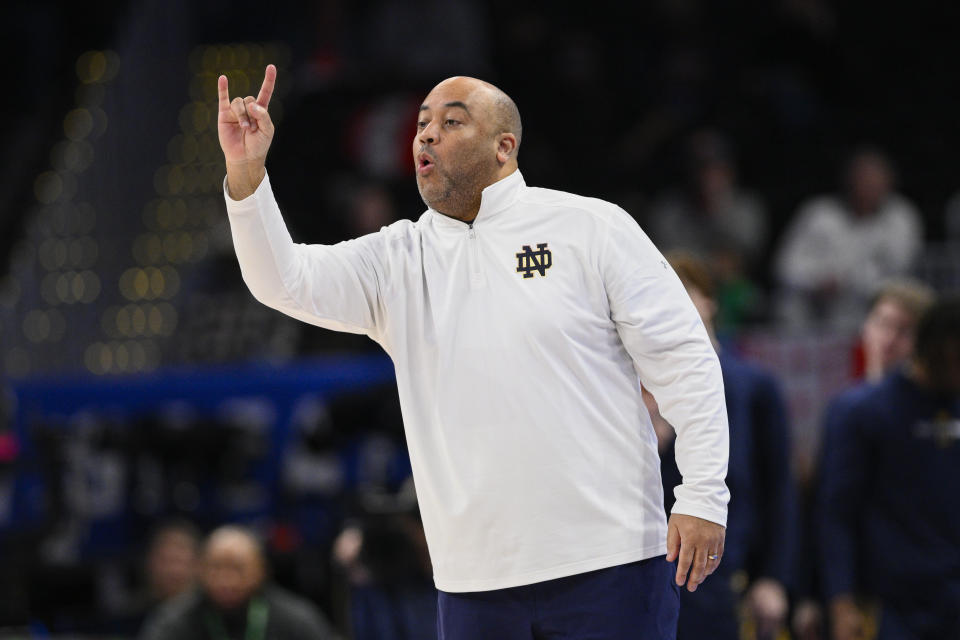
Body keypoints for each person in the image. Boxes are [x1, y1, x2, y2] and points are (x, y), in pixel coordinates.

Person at [218, 66, 730, 638]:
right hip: (473, 584)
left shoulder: (590, 228)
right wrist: (246, 173)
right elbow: (281, 281)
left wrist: (703, 494)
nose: (426, 135)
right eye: (420, 125)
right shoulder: (398, 259)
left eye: (450, 121)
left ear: (504, 146)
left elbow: (687, 363)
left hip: (609, 561)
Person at [648, 252, 794, 640]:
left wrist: (774, 578)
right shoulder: (636, 391)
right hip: (654, 577)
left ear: (709, 300)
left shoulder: (753, 386)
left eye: (685, 293)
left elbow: (778, 488)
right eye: (661, 297)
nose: (673, 306)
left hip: (728, 578)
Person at [791, 278, 934, 640]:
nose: (889, 339)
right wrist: (809, 594)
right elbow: (825, 508)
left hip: (916, 592)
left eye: (904, 331)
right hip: (851, 591)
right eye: (882, 323)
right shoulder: (845, 410)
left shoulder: (936, 418)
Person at [818, 297, 960, 640]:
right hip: (890, 605)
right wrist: (841, 603)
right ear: (936, 351)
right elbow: (836, 514)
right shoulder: (864, 411)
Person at [774, 148, 923, 332]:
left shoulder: (901, 217)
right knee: (790, 305)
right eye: (862, 179)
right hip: (815, 317)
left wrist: (849, 283)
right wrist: (817, 282)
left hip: (873, 318)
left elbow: (901, 271)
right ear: (849, 181)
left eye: (874, 180)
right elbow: (785, 267)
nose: (868, 186)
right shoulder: (818, 214)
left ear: (889, 182)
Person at [139, 525, 339, 640]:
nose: (226, 580)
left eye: (238, 568)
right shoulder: (174, 621)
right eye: (216, 567)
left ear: (261, 571)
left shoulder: (296, 620)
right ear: (200, 570)